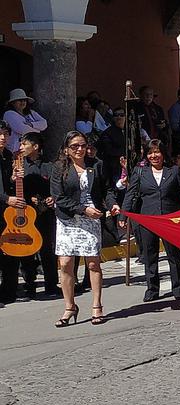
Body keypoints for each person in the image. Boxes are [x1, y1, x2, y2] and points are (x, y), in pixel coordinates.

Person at [120, 139, 180, 304]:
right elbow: (130, 195)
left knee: (173, 255)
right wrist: (123, 216)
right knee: (149, 256)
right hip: (148, 219)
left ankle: (178, 288)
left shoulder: (173, 171)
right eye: (150, 153)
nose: (154, 156)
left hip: (168, 219)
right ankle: (152, 289)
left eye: (157, 152)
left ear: (163, 154)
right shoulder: (140, 173)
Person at [50, 130, 120, 326]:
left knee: (92, 263)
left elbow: (107, 189)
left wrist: (112, 203)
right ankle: (69, 307)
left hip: (92, 218)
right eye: (74, 146)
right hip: (69, 219)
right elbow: (58, 197)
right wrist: (83, 210)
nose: (80, 149)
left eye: (82, 145)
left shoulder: (96, 165)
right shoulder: (59, 168)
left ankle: (97, 306)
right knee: (65, 264)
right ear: (66, 150)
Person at [19, 132, 59, 298]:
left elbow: (56, 186)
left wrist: (52, 198)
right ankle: (29, 285)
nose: (21, 147)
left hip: (45, 213)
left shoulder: (49, 166)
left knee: (47, 249)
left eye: (24, 144)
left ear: (35, 147)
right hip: (26, 213)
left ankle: (52, 284)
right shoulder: (20, 165)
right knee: (27, 248)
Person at [0, 122, 20, 304]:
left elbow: (7, 183)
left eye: (5, 134)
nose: (3, 138)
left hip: (7, 211)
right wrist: (6, 198)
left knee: (10, 247)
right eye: (0, 134)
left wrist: (14, 178)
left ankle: (9, 290)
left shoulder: (7, 155)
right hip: (4, 203)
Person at [134, 85, 170, 151]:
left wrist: (164, 125)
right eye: (146, 94)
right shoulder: (136, 109)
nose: (148, 97)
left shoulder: (158, 109)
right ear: (141, 96)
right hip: (143, 143)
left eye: (150, 94)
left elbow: (165, 123)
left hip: (157, 142)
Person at [97, 108, 127, 184]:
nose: (119, 117)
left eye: (122, 115)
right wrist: (126, 152)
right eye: (116, 115)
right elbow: (109, 151)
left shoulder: (130, 131)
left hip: (128, 166)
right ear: (113, 118)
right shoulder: (108, 133)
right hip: (115, 168)